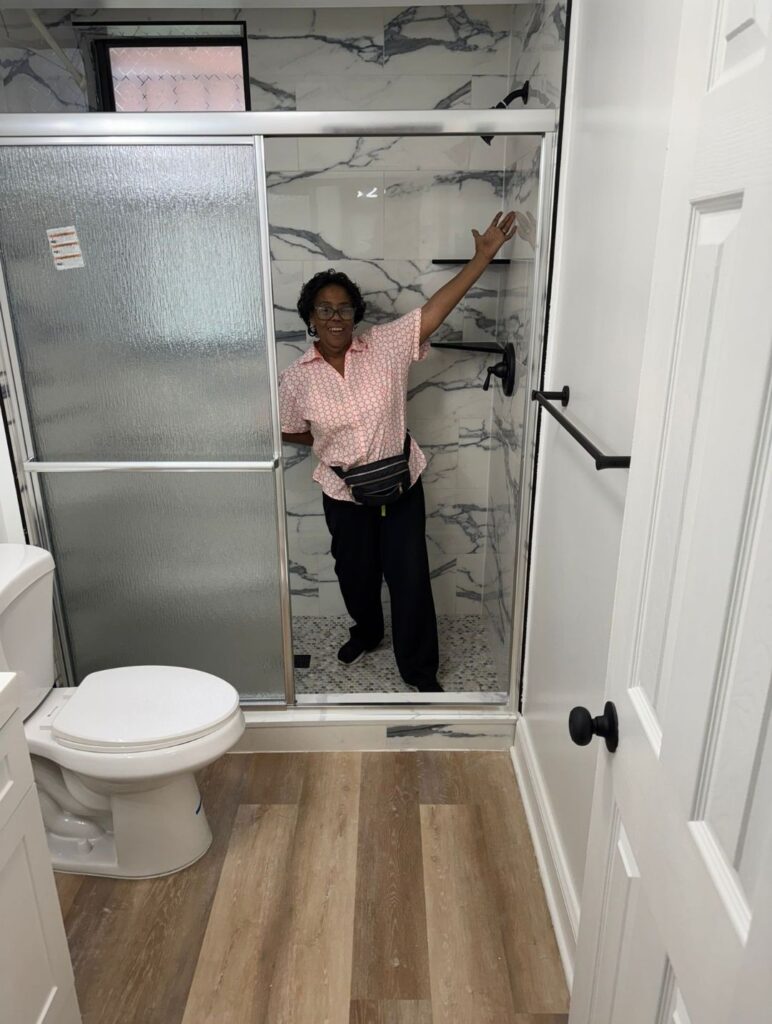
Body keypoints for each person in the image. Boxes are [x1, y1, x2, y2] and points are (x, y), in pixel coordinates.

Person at [279, 211, 517, 692]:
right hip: (344, 493)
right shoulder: (297, 378)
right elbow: (291, 430)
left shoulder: (385, 346)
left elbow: (434, 310)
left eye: (344, 308)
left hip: (402, 486)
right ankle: (367, 632)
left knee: (410, 578)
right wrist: (330, 444)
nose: (335, 317)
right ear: (310, 318)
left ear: (356, 315)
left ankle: (419, 670)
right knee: (355, 577)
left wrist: (481, 258)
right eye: (324, 309)